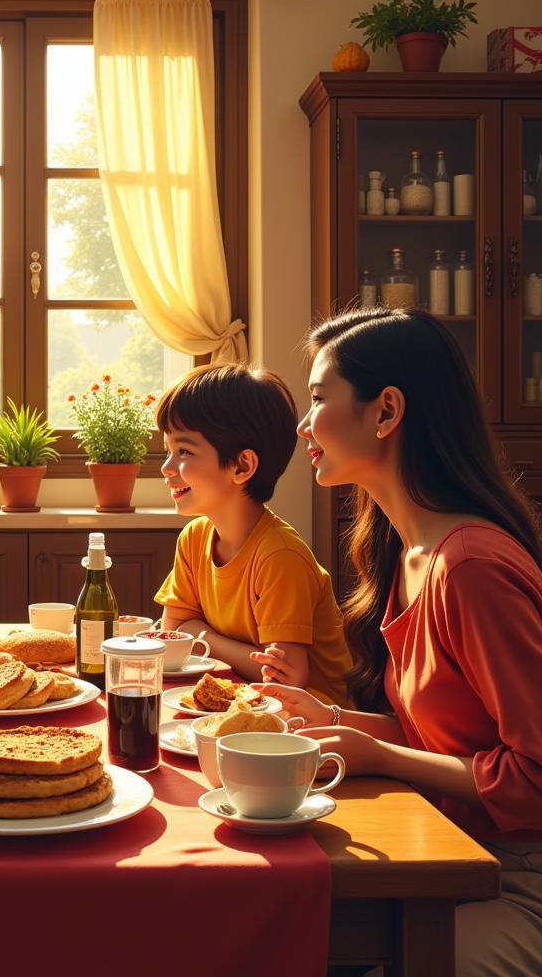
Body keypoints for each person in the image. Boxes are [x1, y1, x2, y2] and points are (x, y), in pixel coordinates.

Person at [259, 306, 542, 975]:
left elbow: (533, 778)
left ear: (385, 412)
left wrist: (377, 755)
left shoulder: (469, 565)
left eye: (320, 398)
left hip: (515, 876)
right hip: (447, 848)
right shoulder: (406, 549)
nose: (304, 424)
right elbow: (457, 739)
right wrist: (332, 721)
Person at [153, 363, 352, 706]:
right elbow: (174, 629)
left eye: (184, 451)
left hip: (308, 721)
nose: (166, 468)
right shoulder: (194, 537)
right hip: (241, 699)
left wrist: (198, 633)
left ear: (241, 466)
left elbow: (285, 676)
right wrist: (207, 638)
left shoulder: (279, 555)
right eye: (167, 449)